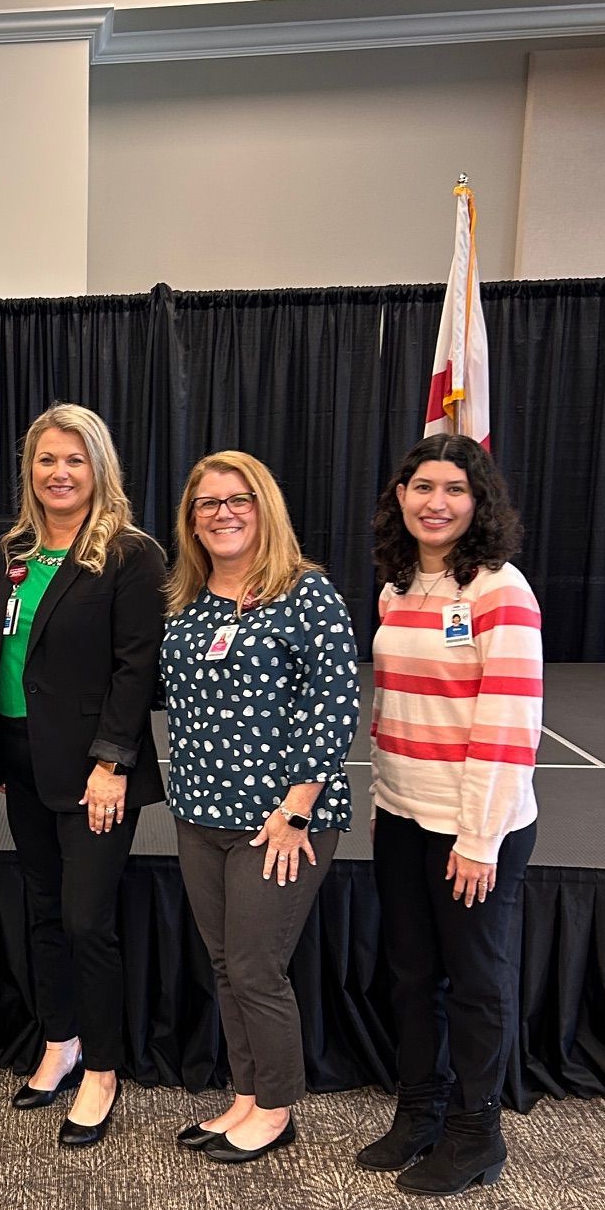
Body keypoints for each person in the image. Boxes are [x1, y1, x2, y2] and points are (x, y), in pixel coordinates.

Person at [159, 451, 359, 1164]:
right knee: (224, 964)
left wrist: (297, 807)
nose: (224, 513)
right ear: (191, 519)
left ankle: (274, 1108)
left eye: (238, 499)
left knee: (254, 967)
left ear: (263, 506)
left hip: (279, 822)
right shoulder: (187, 599)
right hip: (199, 813)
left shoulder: (307, 595)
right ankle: (245, 1095)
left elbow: (334, 705)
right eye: (208, 503)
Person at [0, 404, 166, 1150]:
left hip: (94, 772)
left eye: (74, 461)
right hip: (21, 759)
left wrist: (113, 762)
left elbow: (135, 667)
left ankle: (104, 1069)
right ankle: (61, 1042)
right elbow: (0, 656)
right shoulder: (11, 549)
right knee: (44, 912)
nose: (59, 473)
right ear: (30, 468)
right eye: (47, 460)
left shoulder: (129, 554)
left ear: (99, 469)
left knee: (89, 921)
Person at [362, 433, 542, 1195]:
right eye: (422, 486)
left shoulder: (502, 591)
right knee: (412, 976)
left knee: (474, 981)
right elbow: (391, 707)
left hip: (472, 828)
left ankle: (476, 1132)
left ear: (479, 504)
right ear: (400, 498)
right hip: (403, 815)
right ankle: (421, 1111)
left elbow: (508, 727)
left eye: (455, 490)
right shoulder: (396, 587)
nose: (436, 503)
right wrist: (383, 800)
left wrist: (479, 837)